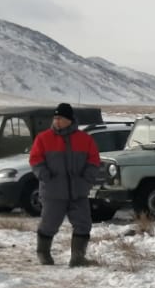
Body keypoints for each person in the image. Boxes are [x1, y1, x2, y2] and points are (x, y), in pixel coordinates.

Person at [29, 102, 101, 267]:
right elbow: (35, 160)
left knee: (83, 225)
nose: (57, 121)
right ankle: (43, 254)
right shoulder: (43, 138)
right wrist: (45, 176)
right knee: (49, 224)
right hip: (53, 192)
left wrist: (86, 180)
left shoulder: (85, 139)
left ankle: (77, 258)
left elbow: (94, 161)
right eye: (55, 118)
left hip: (78, 192)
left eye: (60, 118)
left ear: (70, 120)